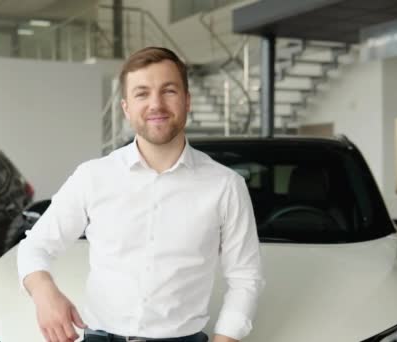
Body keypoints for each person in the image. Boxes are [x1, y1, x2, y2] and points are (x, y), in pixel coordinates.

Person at [17, 46, 263, 342]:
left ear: (187, 101)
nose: (156, 104)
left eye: (169, 91)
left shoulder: (225, 186)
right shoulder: (92, 177)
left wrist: (226, 339)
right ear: (126, 108)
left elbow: (245, 278)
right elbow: (36, 247)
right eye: (142, 93)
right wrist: (44, 293)